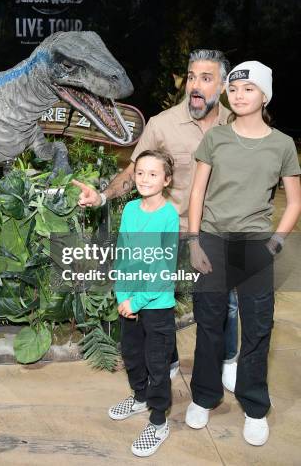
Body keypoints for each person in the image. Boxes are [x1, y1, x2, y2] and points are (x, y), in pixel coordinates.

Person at [73, 49, 239, 389]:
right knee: (163, 302)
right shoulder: (162, 124)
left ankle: (228, 359)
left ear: (222, 85)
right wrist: (102, 195)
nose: (195, 85)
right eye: (191, 77)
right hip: (173, 232)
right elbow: (135, 171)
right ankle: (171, 358)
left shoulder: (237, 125)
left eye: (205, 79)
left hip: (221, 232)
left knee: (229, 303)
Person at [185, 61, 301, 446]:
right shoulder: (215, 139)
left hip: (255, 245)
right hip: (214, 240)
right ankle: (204, 396)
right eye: (234, 89)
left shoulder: (282, 144)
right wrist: (194, 241)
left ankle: (254, 407)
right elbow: (197, 192)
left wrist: (275, 243)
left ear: (264, 95)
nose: (239, 95)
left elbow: (295, 202)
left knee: (257, 328)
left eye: (249, 89)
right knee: (209, 323)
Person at [108, 150, 179, 457]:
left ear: (166, 180)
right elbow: (123, 254)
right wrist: (122, 295)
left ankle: (159, 420)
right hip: (130, 302)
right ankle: (139, 397)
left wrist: (137, 300)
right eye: (140, 172)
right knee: (132, 354)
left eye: (153, 174)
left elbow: (164, 269)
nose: (145, 179)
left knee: (157, 364)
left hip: (156, 304)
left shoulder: (169, 215)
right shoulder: (130, 210)